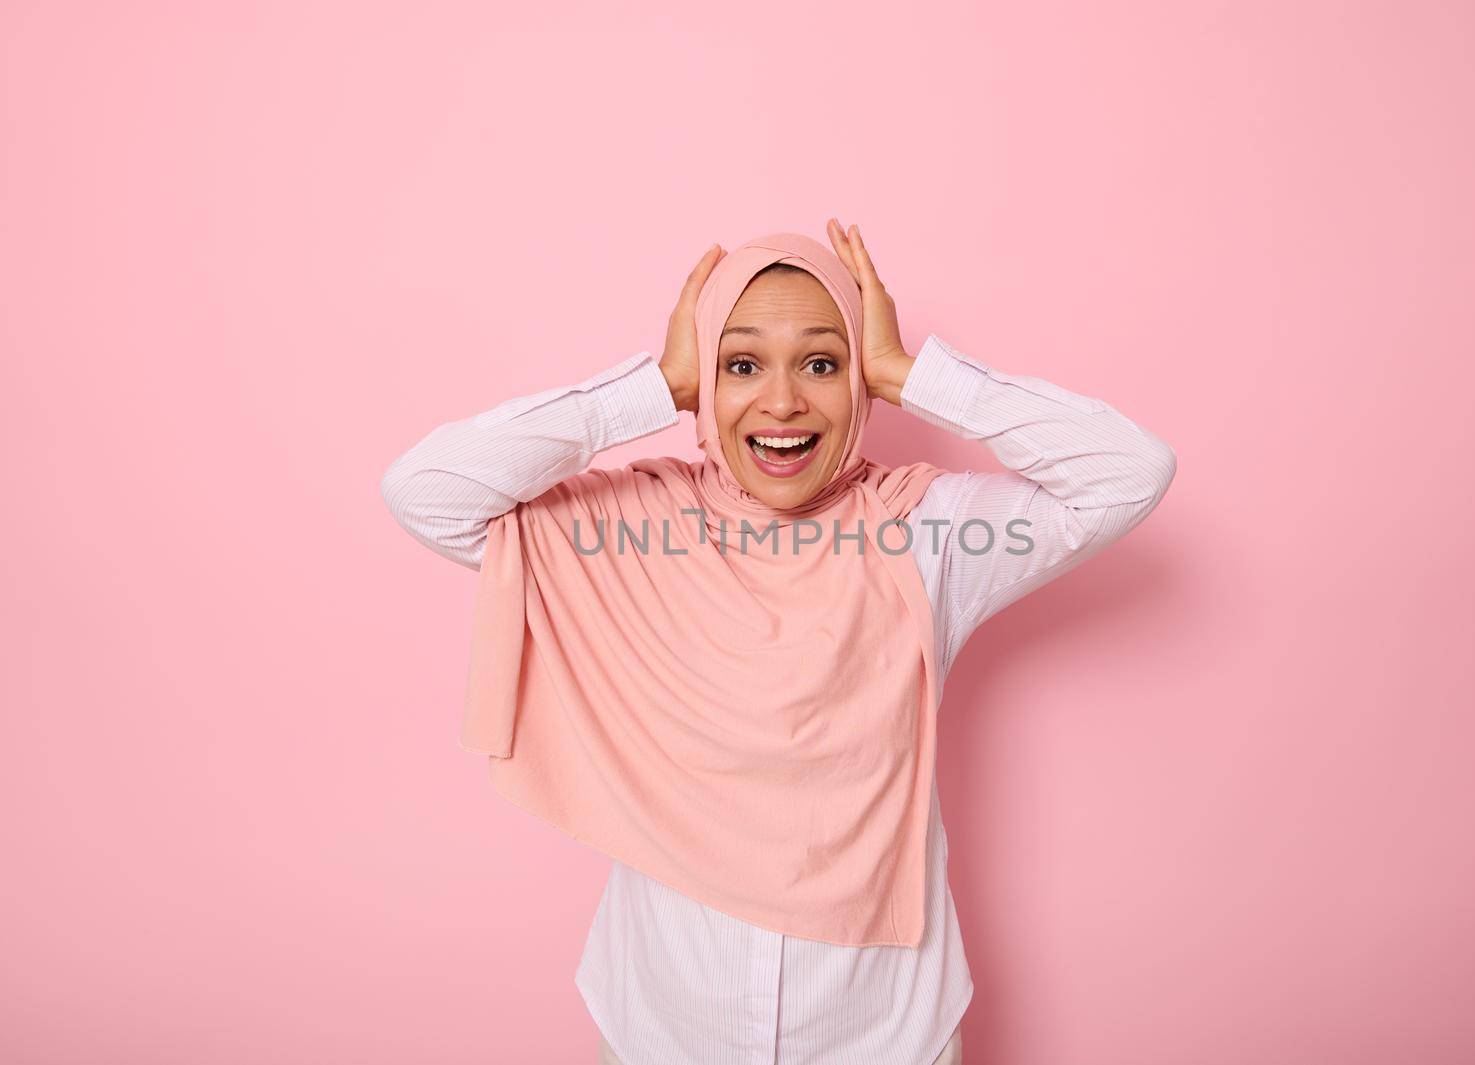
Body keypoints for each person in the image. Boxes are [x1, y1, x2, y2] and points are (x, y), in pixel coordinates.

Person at [380, 220, 1177, 1064]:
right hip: (664, 1029)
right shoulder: (619, 530)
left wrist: (913, 375)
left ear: (859, 381)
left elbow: (1127, 471)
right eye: (741, 364)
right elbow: (427, 491)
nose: (784, 401)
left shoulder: (928, 533)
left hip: (882, 1036)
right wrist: (654, 384)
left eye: (824, 363)